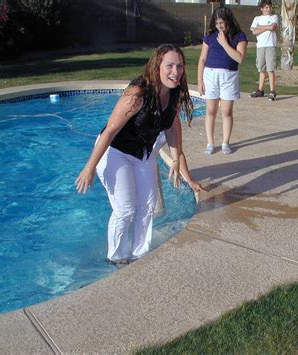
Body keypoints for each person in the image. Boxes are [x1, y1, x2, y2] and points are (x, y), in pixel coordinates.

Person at [76, 44, 204, 267]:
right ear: (157, 66)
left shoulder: (173, 94)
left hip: (142, 154)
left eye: (180, 66)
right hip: (115, 151)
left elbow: (173, 129)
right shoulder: (138, 93)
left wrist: (175, 159)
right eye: (170, 66)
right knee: (125, 209)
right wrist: (89, 167)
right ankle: (115, 257)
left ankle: (138, 254)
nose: (176, 71)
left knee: (146, 206)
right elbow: (110, 131)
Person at [197, 6, 248, 155]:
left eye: (222, 22)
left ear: (229, 21)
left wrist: (225, 43)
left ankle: (225, 142)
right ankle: (210, 143)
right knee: (211, 110)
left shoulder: (239, 36)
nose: (220, 25)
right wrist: (200, 81)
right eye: (217, 22)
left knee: (226, 111)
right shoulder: (210, 35)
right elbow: (202, 59)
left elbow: (239, 58)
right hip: (210, 75)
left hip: (229, 76)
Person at [249, 0, 279, 101]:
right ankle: (260, 90)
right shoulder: (257, 18)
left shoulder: (274, 17)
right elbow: (254, 31)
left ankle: (272, 91)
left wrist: (261, 27)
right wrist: (267, 27)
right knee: (262, 69)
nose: (268, 9)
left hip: (270, 46)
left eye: (269, 7)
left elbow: (273, 27)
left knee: (270, 69)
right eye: (266, 7)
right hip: (260, 46)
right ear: (262, 8)